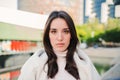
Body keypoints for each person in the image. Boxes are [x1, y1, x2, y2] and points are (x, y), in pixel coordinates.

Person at [18, 11, 101, 80]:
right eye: (54, 32)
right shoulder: (35, 63)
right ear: (48, 35)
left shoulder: (84, 64)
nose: (60, 38)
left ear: (71, 35)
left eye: (65, 31)